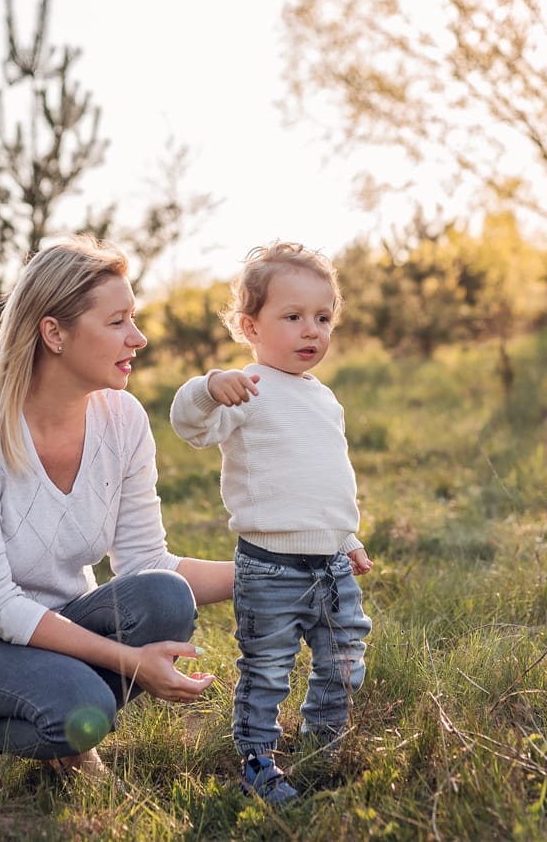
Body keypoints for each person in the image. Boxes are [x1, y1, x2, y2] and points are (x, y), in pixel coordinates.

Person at [0, 234, 234, 784]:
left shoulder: (122, 419)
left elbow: (148, 561)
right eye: (118, 321)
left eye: (134, 319)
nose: (138, 338)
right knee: (85, 707)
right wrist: (130, 663)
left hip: (59, 624)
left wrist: (267, 576)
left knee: (165, 600)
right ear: (54, 332)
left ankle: (55, 709)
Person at [169, 241, 373, 805]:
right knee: (267, 668)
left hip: (330, 563)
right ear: (249, 326)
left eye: (323, 317)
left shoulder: (324, 398)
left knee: (344, 654)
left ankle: (325, 742)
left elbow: (322, 478)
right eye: (292, 316)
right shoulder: (245, 389)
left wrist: (344, 535)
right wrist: (208, 387)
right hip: (270, 567)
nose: (312, 330)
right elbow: (189, 426)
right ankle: (258, 761)